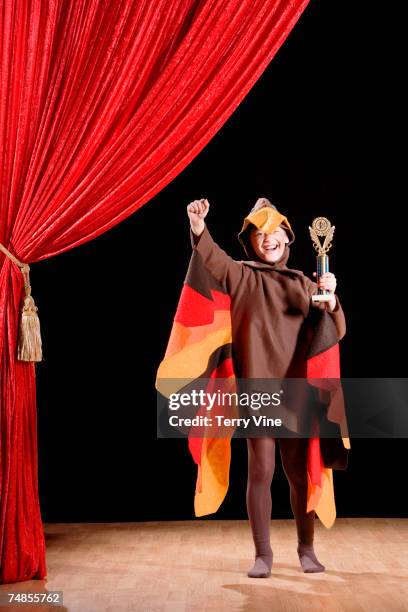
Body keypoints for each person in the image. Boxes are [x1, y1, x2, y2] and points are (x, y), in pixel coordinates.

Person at [187, 196, 346, 577]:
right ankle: (263, 554)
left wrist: (332, 297)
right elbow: (213, 259)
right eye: (259, 233)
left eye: (274, 231)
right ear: (251, 242)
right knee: (260, 470)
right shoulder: (243, 276)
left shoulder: (304, 285)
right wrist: (197, 228)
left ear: (288, 238)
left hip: (297, 395)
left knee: (297, 471)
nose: (268, 238)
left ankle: (306, 549)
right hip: (257, 391)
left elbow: (335, 331)